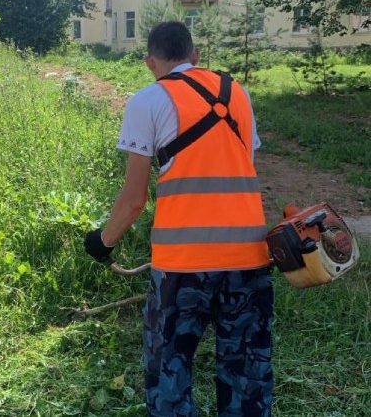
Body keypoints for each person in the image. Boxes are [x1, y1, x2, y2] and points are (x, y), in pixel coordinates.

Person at [84, 21, 273, 417]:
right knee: (246, 373)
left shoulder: (147, 101)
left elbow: (135, 199)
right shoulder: (239, 93)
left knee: (169, 373)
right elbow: (245, 167)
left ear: (150, 62)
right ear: (196, 55)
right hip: (249, 259)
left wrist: (104, 241)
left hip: (182, 267)